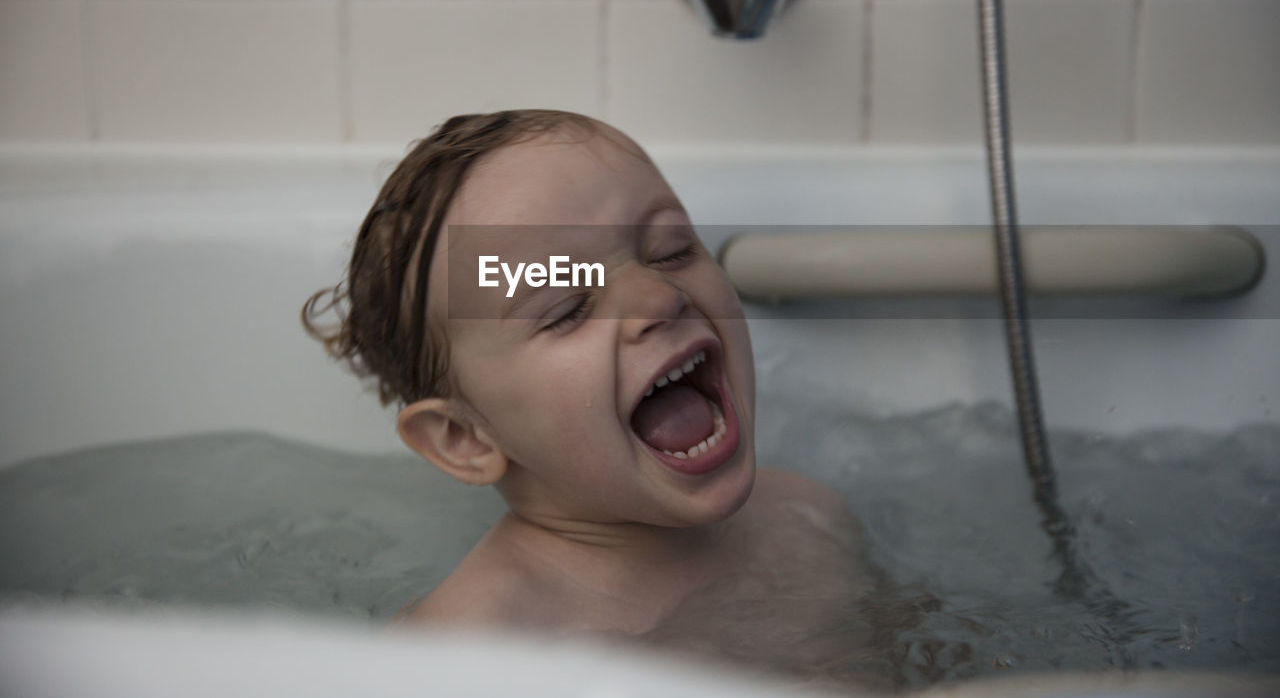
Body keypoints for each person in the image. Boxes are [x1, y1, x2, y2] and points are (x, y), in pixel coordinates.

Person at [304, 110, 904, 688]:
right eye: (567, 308)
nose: (657, 295)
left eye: (671, 250)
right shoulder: (471, 650)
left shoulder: (805, 517)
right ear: (466, 439)